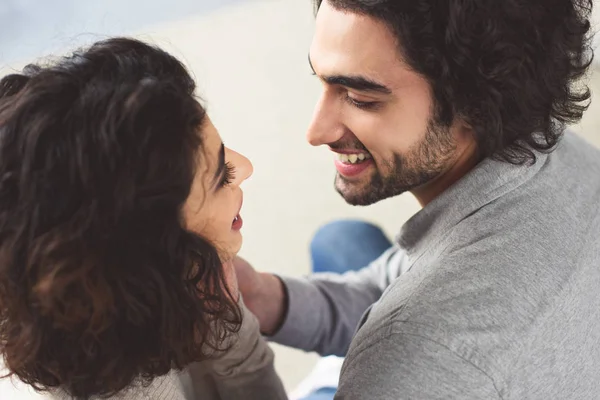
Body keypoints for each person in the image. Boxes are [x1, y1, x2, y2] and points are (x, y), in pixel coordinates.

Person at [236, 0, 600, 398]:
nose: (316, 130)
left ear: (476, 103)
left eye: (360, 98)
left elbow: (419, 340)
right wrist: (261, 296)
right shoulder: (544, 145)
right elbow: (410, 277)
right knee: (339, 238)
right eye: (322, 81)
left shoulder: (413, 365)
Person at [0, 38, 287, 400]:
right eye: (219, 176)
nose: (244, 167)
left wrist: (227, 322)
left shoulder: (179, 276)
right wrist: (234, 337)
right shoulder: (125, 390)